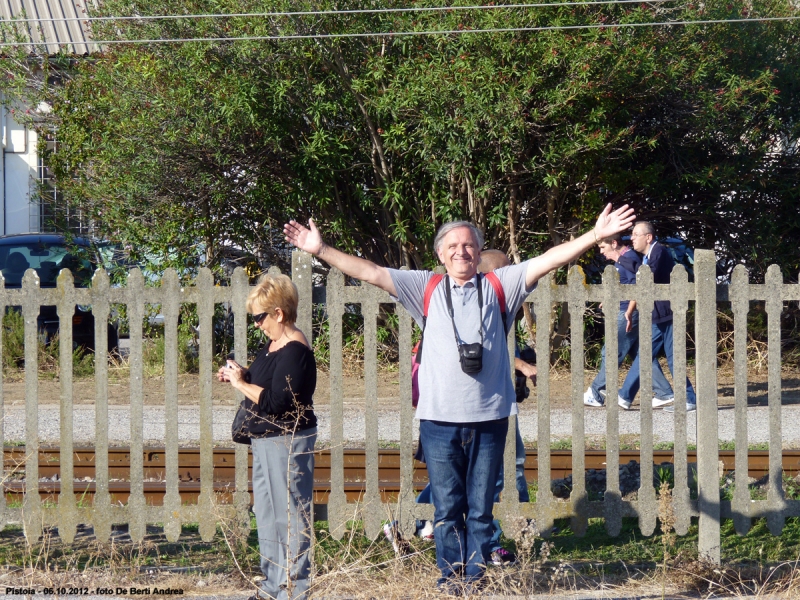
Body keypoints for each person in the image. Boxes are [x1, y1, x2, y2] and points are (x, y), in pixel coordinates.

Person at [284, 203, 634, 592]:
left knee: (481, 511)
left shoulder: (502, 285)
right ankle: (452, 579)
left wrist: (595, 236)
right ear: (440, 254)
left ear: (480, 252)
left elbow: (549, 260)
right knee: (448, 509)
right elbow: (372, 272)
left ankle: (477, 578)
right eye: (452, 246)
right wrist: (320, 250)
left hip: (490, 418)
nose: (461, 252)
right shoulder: (427, 288)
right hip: (439, 421)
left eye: (468, 245)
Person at [218, 274, 318, 600]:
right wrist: (242, 374)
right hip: (265, 442)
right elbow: (267, 381)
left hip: (287, 441)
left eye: (260, 316)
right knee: (268, 518)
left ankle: (293, 590)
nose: (257, 324)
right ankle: (272, 586)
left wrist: (240, 384)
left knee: (289, 517)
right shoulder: (274, 345)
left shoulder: (295, 349)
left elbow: (278, 401)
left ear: (279, 313)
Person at [478, 249, 535, 566]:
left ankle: (415, 522)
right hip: (483, 402)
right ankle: (517, 530)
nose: (511, 274)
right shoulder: (482, 301)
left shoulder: (503, 304)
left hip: (498, 399)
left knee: (503, 463)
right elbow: (484, 344)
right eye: (505, 270)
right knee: (501, 466)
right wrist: (522, 366)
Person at [583, 233, 674, 408]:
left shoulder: (629, 258)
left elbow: (638, 286)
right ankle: (664, 392)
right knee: (639, 353)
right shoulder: (622, 260)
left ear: (614, 243)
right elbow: (625, 285)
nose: (601, 252)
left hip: (626, 313)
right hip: (625, 309)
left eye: (603, 247)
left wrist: (631, 311)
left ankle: (597, 392)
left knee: (611, 351)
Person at [618, 222, 697, 412]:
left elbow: (646, 278)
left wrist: (621, 258)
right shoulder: (648, 256)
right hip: (657, 316)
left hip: (667, 315)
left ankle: (689, 400)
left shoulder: (658, 252)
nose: (632, 238)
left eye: (636, 234)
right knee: (644, 354)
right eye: (632, 234)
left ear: (649, 237)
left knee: (673, 357)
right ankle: (625, 396)